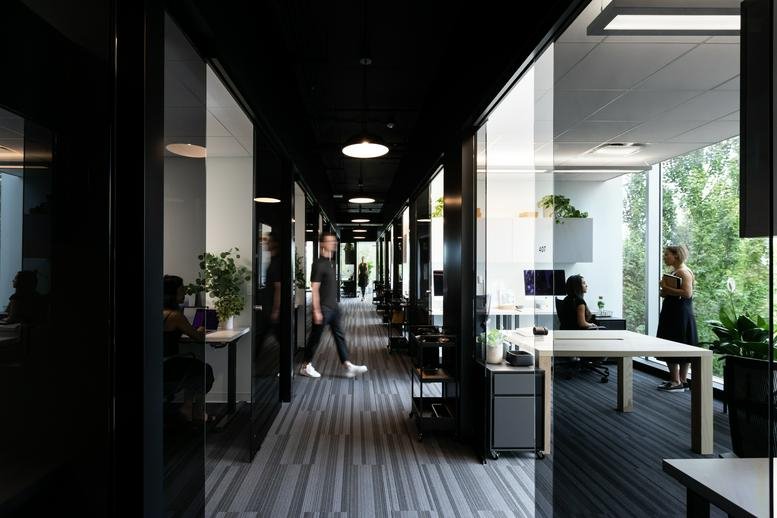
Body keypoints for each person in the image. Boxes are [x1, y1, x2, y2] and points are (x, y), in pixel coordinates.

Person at [300, 232, 368, 378]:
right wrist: (316, 310)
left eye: (334, 241)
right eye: (330, 241)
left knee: (339, 336)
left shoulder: (331, 263)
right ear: (323, 244)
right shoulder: (318, 264)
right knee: (315, 338)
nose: (334, 243)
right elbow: (315, 288)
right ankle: (305, 366)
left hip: (333, 308)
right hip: (323, 308)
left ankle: (347, 365)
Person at [163, 275, 215, 421]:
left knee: (194, 368)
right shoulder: (174, 316)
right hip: (168, 366)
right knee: (205, 371)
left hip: (156, 366)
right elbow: (198, 338)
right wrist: (201, 328)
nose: (184, 292)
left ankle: (187, 407)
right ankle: (194, 410)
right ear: (173, 294)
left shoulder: (155, 312)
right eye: (181, 289)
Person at [656, 244, 697, 392]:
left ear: (676, 256)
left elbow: (687, 293)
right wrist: (665, 291)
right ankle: (682, 380)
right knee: (681, 342)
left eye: (667, 254)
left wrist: (666, 288)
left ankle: (676, 381)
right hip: (675, 313)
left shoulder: (683, 272)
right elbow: (675, 293)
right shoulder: (676, 272)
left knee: (672, 343)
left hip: (678, 315)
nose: (665, 257)